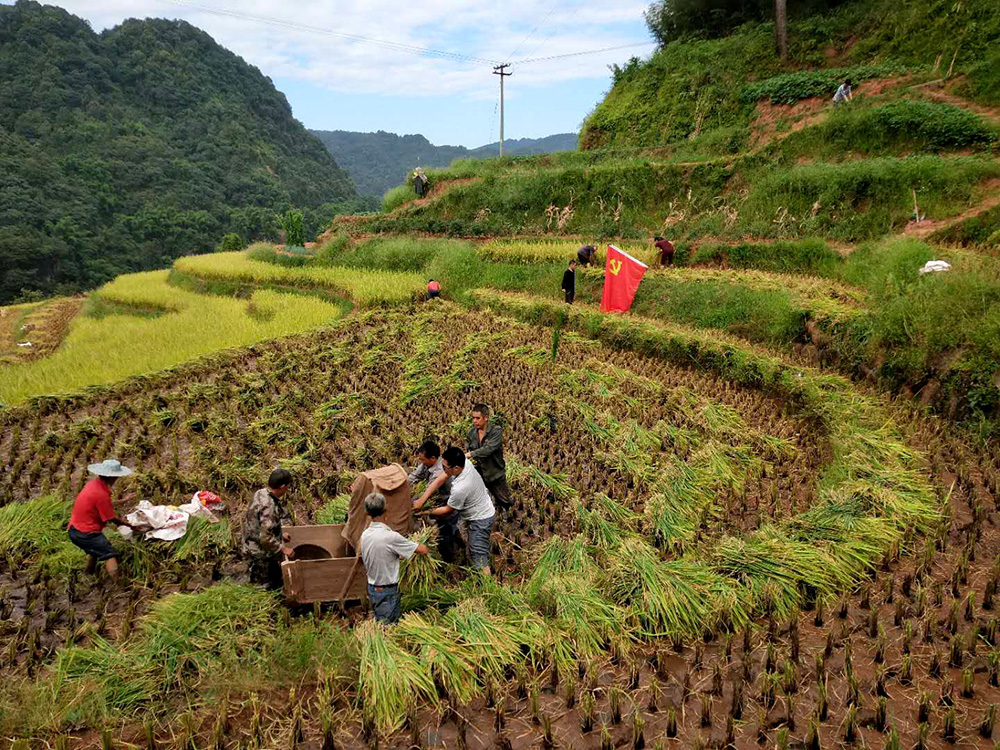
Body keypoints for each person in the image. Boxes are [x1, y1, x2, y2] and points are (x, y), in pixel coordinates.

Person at [360, 491, 429, 623]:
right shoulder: (391, 537)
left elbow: (383, 554)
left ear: (368, 514)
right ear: (386, 511)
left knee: (379, 621)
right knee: (388, 626)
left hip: (373, 588)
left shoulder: (365, 535)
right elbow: (422, 550)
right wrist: (427, 544)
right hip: (387, 591)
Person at [67, 459, 138, 580]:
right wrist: (130, 525)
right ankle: (118, 584)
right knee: (110, 554)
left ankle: (88, 574)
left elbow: (103, 504)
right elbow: (110, 517)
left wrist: (124, 500)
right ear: (112, 477)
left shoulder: (93, 485)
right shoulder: (101, 494)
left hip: (74, 530)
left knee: (96, 550)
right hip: (86, 533)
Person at [429, 448, 496, 574]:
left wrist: (427, 511)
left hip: (481, 519)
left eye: (445, 467)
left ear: (455, 468)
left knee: (478, 557)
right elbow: (440, 479)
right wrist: (422, 499)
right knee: (475, 547)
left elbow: (447, 511)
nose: (443, 470)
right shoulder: (465, 463)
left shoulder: (461, 487)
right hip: (481, 507)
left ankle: (489, 588)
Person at [409, 440, 462, 563]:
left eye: (422, 460)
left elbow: (428, 491)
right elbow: (414, 476)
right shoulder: (427, 464)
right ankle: (458, 538)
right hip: (437, 505)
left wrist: (415, 503)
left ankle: (449, 561)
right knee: (448, 529)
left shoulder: (439, 471)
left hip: (446, 507)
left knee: (445, 535)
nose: (421, 463)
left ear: (433, 458)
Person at [242, 468, 296, 590]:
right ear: (282, 487)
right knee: (263, 587)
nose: (287, 489)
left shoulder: (261, 493)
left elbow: (262, 525)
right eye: (287, 486)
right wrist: (283, 549)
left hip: (252, 543)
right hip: (259, 553)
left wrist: (279, 534)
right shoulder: (269, 506)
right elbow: (265, 537)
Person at [466, 403, 512, 512]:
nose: (474, 421)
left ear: (486, 418)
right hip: (479, 472)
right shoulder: (471, 433)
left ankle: (507, 512)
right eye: (473, 418)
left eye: (478, 418)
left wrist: (471, 454)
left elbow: (488, 449)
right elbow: (469, 448)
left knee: (504, 500)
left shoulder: (496, 431)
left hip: (495, 473)